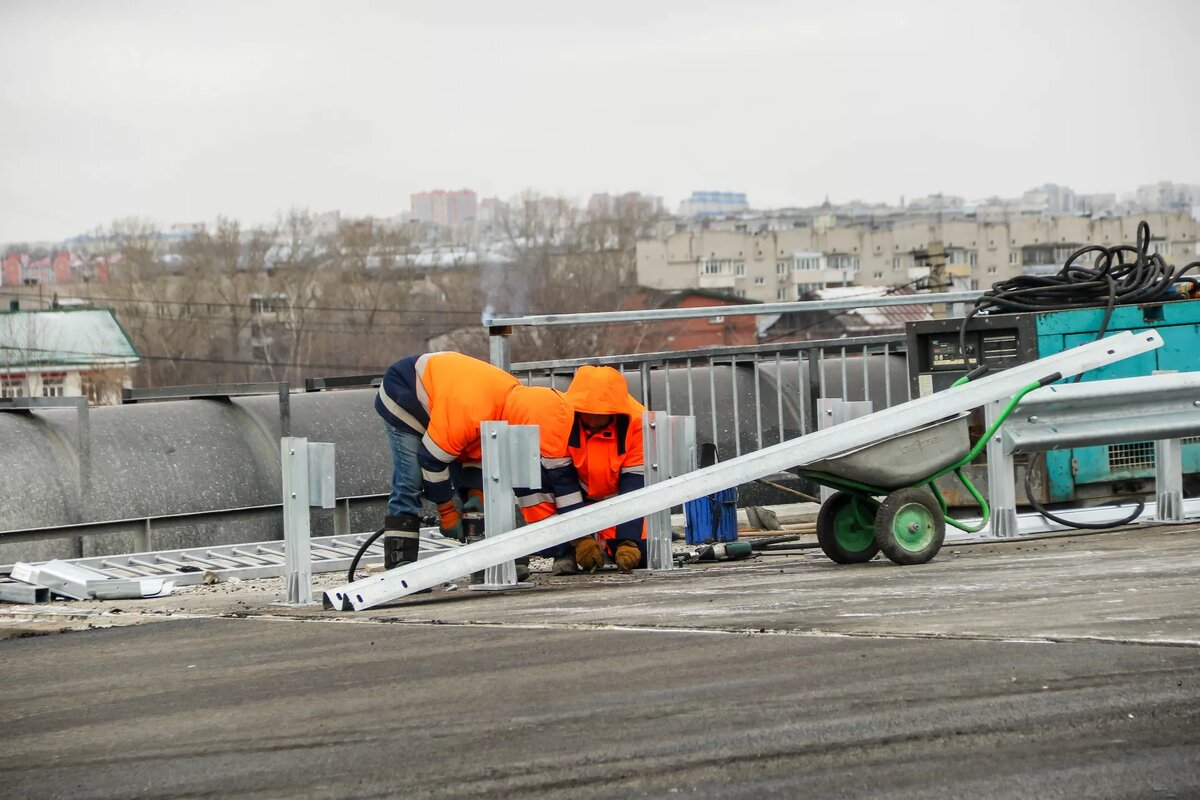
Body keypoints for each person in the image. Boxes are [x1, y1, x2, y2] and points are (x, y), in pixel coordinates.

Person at [374, 351, 583, 570]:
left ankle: (486, 558)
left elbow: (478, 455)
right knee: (411, 480)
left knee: (476, 485)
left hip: (450, 406)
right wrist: (446, 511)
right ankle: (401, 564)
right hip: (406, 392)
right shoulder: (469, 415)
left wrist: (477, 495)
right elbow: (431, 461)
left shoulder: (512, 404)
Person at [553, 365, 648, 574]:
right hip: (577, 492)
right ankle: (562, 551)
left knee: (641, 554)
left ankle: (612, 545)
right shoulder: (559, 419)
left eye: (601, 413)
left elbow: (634, 484)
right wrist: (580, 538)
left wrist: (628, 541)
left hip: (617, 496)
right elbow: (562, 482)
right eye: (587, 412)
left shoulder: (639, 423)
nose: (592, 419)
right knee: (540, 490)